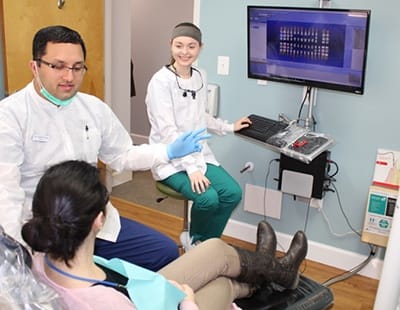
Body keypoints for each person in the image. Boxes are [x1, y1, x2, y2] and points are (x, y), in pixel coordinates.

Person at [0, 25, 210, 271]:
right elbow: (6, 192)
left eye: (77, 67)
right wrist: (18, 254)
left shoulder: (93, 109)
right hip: (41, 233)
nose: (69, 77)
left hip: (95, 224)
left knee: (164, 252)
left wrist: (167, 151)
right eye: (57, 66)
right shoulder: (10, 116)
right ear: (35, 67)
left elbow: (122, 155)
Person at [22, 160, 308, 310]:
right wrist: (187, 303)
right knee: (221, 285)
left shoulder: (41, 256)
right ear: (99, 220)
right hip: (150, 303)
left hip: (140, 292)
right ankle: (266, 279)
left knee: (214, 250)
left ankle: (277, 271)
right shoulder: (105, 303)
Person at [145, 22, 252, 249]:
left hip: (198, 153)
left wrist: (230, 126)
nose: (185, 52)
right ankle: (195, 242)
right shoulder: (160, 81)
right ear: (170, 46)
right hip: (170, 159)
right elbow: (168, 132)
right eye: (179, 45)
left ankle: (206, 243)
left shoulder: (200, 76)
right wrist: (191, 169)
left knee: (232, 193)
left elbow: (200, 116)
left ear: (200, 48)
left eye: (191, 46)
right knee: (208, 198)